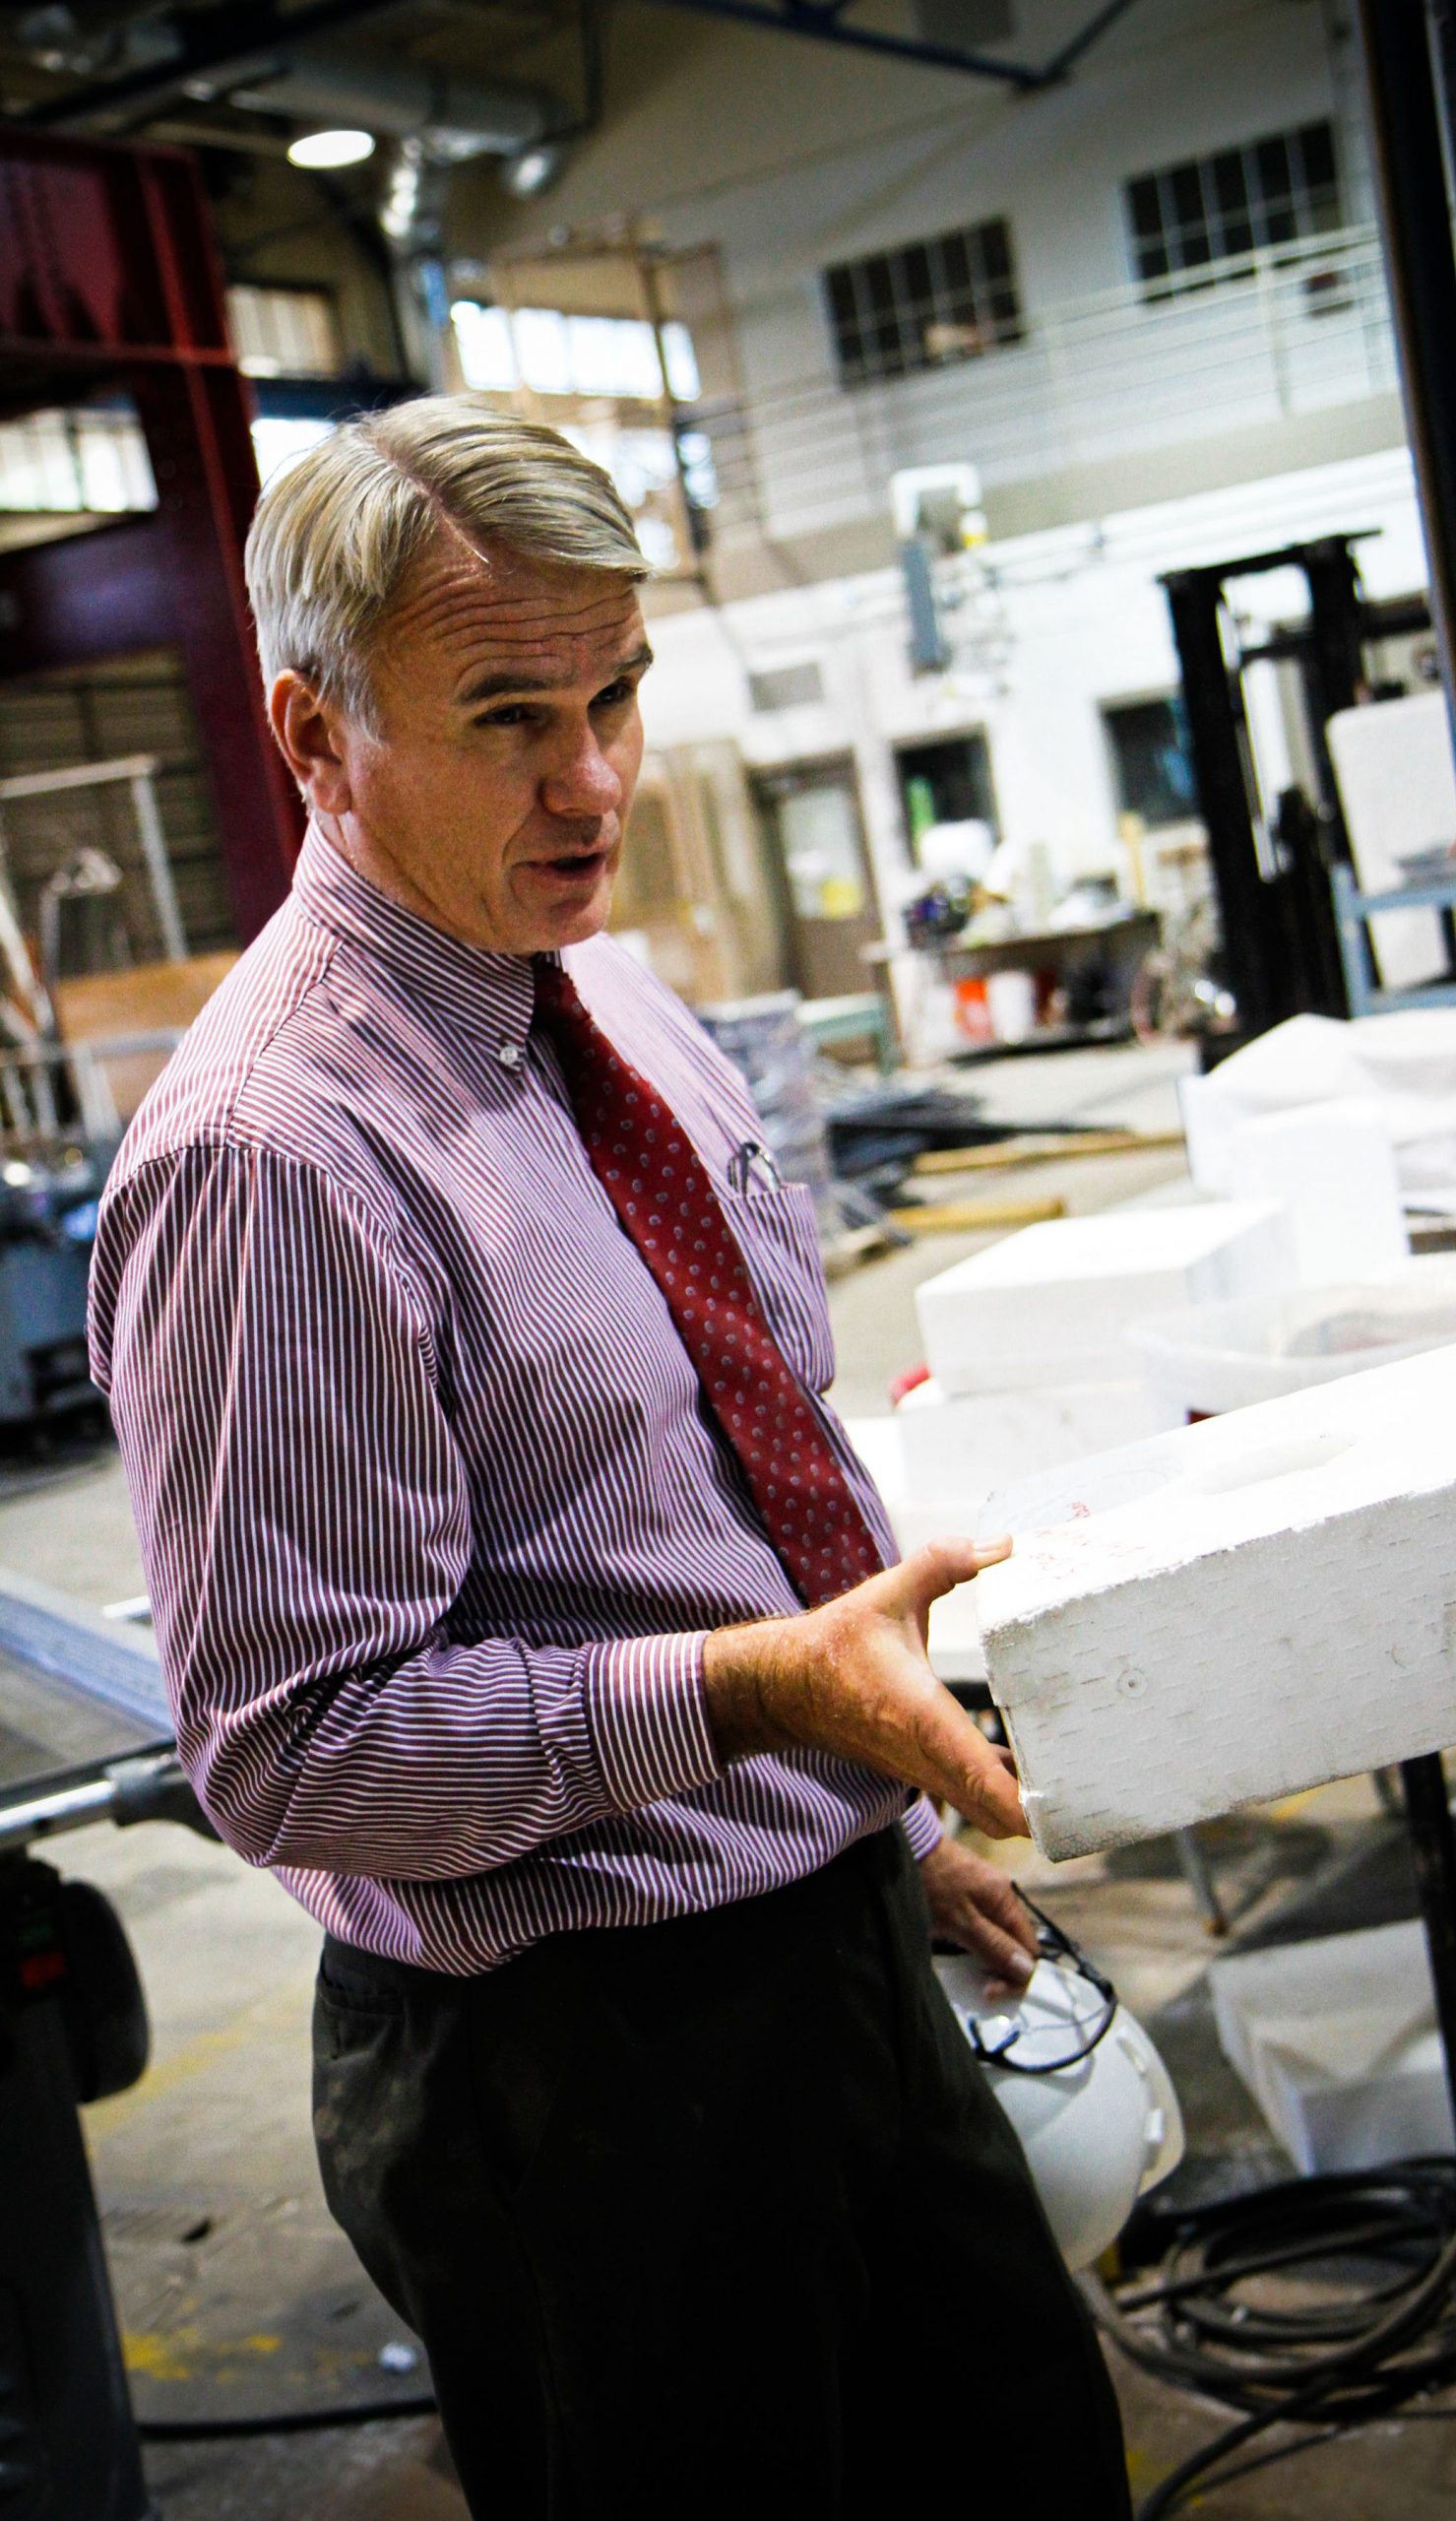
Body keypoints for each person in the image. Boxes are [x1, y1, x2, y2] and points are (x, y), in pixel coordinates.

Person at [89, 397, 1131, 2518]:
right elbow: (299, 1749)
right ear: (313, 733)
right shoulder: (273, 1158)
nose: (592, 782)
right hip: (577, 2069)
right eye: (505, 717)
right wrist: (756, 1693)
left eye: (617, 694)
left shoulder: (614, 1000)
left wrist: (862, 1812)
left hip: (820, 1932)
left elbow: (713, 1477)